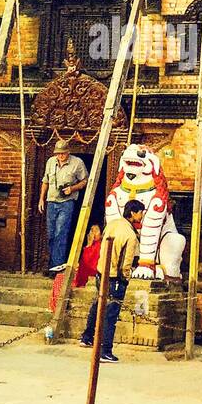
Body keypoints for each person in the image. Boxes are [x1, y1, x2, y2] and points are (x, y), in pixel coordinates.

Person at [78, 201, 144, 364]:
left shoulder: (113, 224)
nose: (142, 215)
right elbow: (126, 263)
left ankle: (87, 336)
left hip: (102, 271)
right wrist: (125, 278)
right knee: (110, 314)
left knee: (98, 304)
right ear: (133, 213)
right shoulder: (130, 235)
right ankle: (105, 350)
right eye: (140, 212)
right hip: (115, 276)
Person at [38, 139, 88, 276]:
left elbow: (85, 181)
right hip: (51, 201)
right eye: (58, 153)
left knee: (61, 233)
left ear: (68, 152)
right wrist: (41, 199)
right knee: (51, 234)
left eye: (63, 153)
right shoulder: (50, 162)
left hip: (67, 202)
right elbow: (45, 181)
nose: (60, 156)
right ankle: (52, 265)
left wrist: (72, 188)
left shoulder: (77, 163)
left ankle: (57, 267)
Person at [49, 223, 102, 312]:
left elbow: (90, 264)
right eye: (92, 230)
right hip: (82, 271)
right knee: (59, 277)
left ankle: (58, 307)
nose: (93, 233)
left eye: (96, 231)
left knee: (61, 279)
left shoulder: (99, 246)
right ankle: (55, 305)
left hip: (86, 274)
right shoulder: (91, 245)